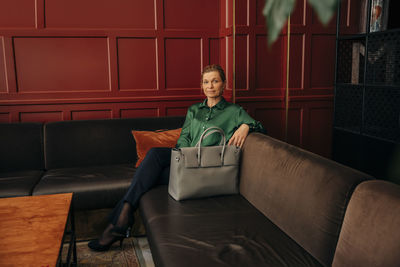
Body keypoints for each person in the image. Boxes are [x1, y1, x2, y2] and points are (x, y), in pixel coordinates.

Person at [88, 64, 266, 251]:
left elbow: (261, 127)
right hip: (186, 160)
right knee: (156, 154)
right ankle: (123, 215)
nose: (210, 86)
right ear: (202, 85)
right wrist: (181, 157)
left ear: (224, 84)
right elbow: (184, 137)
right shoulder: (194, 110)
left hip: (207, 167)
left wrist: (246, 126)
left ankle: (121, 220)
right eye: (206, 82)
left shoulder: (234, 111)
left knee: (149, 173)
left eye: (215, 81)